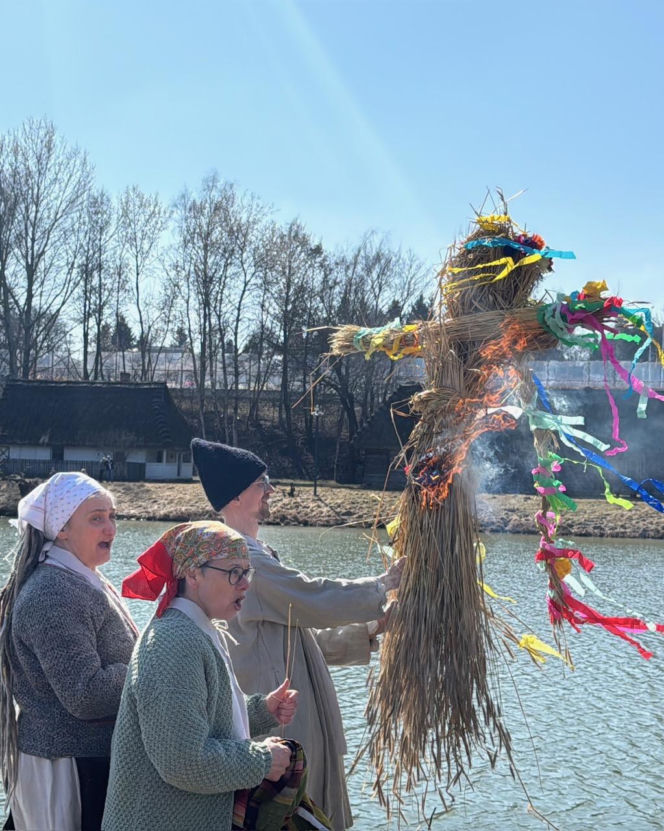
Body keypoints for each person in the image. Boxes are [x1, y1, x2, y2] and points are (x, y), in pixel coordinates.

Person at [191, 439, 404, 831]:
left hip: (291, 712)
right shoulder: (240, 559)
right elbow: (311, 595)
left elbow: (301, 638)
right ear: (236, 495)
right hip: (279, 721)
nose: (271, 489)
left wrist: (371, 629)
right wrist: (381, 585)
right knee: (292, 816)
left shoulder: (258, 553)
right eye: (261, 482)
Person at [104, 520, 307, 831]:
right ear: (193, 573)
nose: (245, 583)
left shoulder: (196, 630)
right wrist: (262, 760)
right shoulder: (174, 642)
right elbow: (183, 761)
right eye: (233, 572)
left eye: (246, 572)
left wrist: (261, 710)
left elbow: (199, 722)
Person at [0, 472, 138, 831]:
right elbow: (86, 695)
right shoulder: (52, 593)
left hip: (84, 760)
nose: (110, 528)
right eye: (96, 519)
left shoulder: (78, 578)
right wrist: (149, 664)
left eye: (112, 516)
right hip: (65, 768)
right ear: (62, 528)